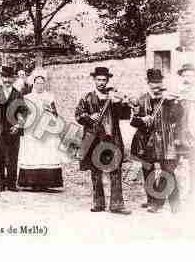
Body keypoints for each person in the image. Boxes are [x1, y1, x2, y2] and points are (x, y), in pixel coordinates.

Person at [75, 66, 131, 214]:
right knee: (96, 171)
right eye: (98, 80)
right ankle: (98, 203)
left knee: (115, 170)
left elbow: (125, 116)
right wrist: (88, 117)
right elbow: (78, 116)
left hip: (112, 138)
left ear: (107, 81)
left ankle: (117, 205)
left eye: (104, 80)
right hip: (94, 139)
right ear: (94, 80)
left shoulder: (113, 98)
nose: (101, 82)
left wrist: (123, 103)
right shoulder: (87, 97)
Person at [130, 68, 183, 213]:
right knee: (149, 172)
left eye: (159, 82)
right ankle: (152, 201)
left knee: (168, 171)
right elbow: (133, 122)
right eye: (153, 82)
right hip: (146, 141)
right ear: (148, 83)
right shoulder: (141, 100)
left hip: (166, 140)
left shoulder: (169, 100)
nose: (156, 85)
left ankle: (175, 204)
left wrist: (176, 103)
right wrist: (142, 119)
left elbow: (176, 118)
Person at [17, 73, 64, 191]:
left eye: (42, 83)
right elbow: (22, 113)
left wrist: (51, 112)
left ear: (45, 84)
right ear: (33, 83)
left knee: (46, 154)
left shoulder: (50, 96)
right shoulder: (27, 97)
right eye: (37, 83)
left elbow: (55, 114)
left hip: (46, 130)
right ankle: (32, 182)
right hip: (32, 129)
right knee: (33, 154)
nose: (40, 86)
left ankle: (46, 182)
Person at [0, 66, 27, 192]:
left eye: (9, 77)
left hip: (13, 129)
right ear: (1, 78)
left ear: (13, 79)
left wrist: (19, 124)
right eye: (4, 77)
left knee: (13, 156)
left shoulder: (17, 94)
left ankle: (11, 183)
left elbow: (23, 111)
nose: (7, 80)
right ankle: (0, 183)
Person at [176, 63, 195, 207]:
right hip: (181, 132)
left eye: (190, 75)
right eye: (185, 75)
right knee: (180, 164)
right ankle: (181, 193)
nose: (187, 77)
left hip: (193, 130)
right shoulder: (180, 92)